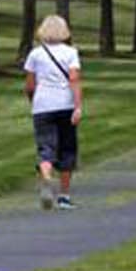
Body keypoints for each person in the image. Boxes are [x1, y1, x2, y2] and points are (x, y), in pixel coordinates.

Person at [22, 14, 82, 211]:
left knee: (46, 147)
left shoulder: (35, 54)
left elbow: (30, 85)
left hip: (43, 105)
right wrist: (78, 105)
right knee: (67, 149)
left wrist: (33, 101)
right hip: (65, 105)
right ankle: (64, 196)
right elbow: (73, 79)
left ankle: (46, 177)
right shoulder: (71, 53)